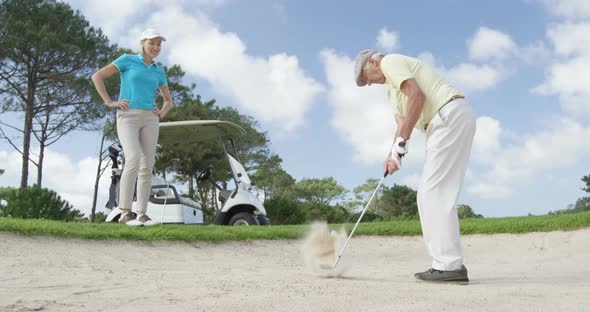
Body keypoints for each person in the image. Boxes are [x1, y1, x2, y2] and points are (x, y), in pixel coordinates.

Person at [354, 49, 476, 283]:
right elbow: (401, 126)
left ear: (372, 61)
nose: (368, 83)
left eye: (365, 76)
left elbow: (417, 97)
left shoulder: (390, 61)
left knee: (434, 193)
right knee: (431, 194)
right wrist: (393, 155)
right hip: (443, 123)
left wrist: (401, 144)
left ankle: (449, 266)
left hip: (447, 115)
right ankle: (448, 264)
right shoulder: (392, 93)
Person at [91, 28, 173, 226]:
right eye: (152, 43)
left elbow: (168, 100)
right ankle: (125, 211)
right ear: (143, 43)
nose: (155, 47)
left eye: (158, 44)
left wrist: (160, 113)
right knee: (133, 158)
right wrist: (110, 102)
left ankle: (142, 213)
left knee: (147, 165)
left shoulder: (158, 71)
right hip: (127, 116)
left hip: (150, 120)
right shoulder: (128, 60)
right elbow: (97, 76)